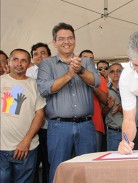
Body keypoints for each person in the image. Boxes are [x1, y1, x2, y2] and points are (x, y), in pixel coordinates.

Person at [37, 22, 100, 183]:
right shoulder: (47, 63)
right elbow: (45, 89)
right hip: (59, 127)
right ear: (54, 42)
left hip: (86, 125)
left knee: (88, 170)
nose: (66, 41)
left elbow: (96, 82)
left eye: (70, 38)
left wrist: (80, 70)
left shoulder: (85, 61)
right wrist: (70, 74)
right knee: (59, 170)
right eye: (61, 38)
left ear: (75, 40)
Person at [0, 48, 46, 183]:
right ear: (9, 61)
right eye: (15, 59)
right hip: (1, 149)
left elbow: (40, 115)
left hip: (27, 148)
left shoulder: (33, 84)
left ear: (28, 63)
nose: (19, 63)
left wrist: (26, 141)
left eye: (23, 60)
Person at [26, 42, 51, 183]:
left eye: (43, 53)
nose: (39, 56)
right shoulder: (28, 73)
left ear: (49, 55)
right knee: (33, 164)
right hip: (32, 126)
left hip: (50, 125)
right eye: (36, 53)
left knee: (49, 162)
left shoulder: (55, 71)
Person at [79, 49, 108, 151]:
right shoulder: (72, 77)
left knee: (93, 159)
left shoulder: (100, 78)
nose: (88, 61)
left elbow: (105, 100)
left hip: (96, 125)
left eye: (91, 59)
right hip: (75, 125)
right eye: (85, 58)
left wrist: (92, 84)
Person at [102, 63, 123, 151]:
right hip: (113, 132)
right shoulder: (105, 90)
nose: (116, 73)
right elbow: (102, 114)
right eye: (112, 71)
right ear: (109, 74)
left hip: (129, 132)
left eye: (118, 71)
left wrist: (121, 109)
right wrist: (109, 106)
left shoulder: (129, 88)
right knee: (113, 160)